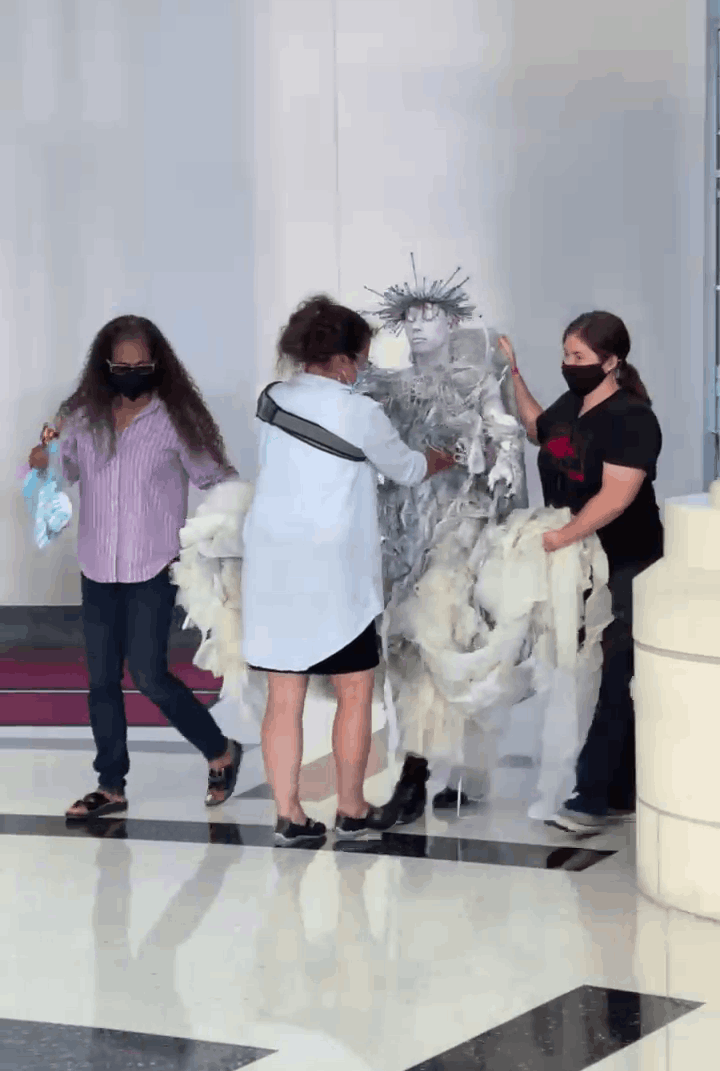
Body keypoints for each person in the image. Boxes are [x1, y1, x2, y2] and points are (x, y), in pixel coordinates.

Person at [240, 295, 456, 847]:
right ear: (341, 360)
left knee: (283, 694)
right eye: (360, 358)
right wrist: (440, 458)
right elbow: (407, 470)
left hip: (272, 561)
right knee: (355, 690)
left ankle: (289, 815)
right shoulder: (359, 411)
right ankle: (352, 807)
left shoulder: (271, 399)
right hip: (332, 569)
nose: (362, 368)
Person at [27, 315, 245, 821]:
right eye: (120, 366)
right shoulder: (84, 417)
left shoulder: (175, 420)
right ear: (105, 366)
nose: (130, 374)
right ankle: (110, 785)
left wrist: (232, 524)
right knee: (101, 679)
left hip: (153, 565)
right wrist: (43, 458)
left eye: (140, 365)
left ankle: (220, 751)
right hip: (97, 564)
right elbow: (65, 470)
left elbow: (217, 478)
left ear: (156, 364)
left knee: (148, 673)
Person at [356, 264, 527, 825]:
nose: (419, 326)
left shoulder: (476, 379)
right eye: (410, 317)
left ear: (453, 323)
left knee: (440, 636)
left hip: (458, 527)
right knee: (411, 649)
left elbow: (502, 429)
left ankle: (417, 773)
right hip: (403, 530)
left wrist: (502, 463)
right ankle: (447, 765)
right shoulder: (387, 386)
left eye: (431, 317)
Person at [499, 310, 663, 837]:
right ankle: (618, 792)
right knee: (589, 673)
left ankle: (590, 797)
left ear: (611, 361)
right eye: (566, 355)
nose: (569, 365)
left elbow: (616, 496)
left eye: (580, 357)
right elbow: (538, 429)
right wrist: (513, 373)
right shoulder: (574, 405)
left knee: (613, 675)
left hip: (626, 563)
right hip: (581, 565)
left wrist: (561, 536)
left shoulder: (632, 419)